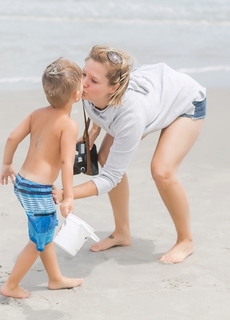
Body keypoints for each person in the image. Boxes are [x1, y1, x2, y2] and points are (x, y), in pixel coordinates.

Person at [53, 45, 206, 264]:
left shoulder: (131, 116)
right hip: (156, 94)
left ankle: (186, 240)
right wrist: (93, 133)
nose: (84, 83)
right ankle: (122, 232)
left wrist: (67, 194)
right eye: (83, 73)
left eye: (94, 81)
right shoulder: (88, 89)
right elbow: (98, 112)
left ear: (113, 87)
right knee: (105, 157)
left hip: (185, 102)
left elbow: (110, 178)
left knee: (162, 171)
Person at [0, 57, 85, 299]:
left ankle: (55, 278)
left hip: (23, 183)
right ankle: (11, 285)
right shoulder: (68, 125)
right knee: (39, 238)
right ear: (77, 95)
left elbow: (12, 138)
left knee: (43, 232)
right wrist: (69, 196)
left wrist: (7, 164)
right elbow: (67, 162)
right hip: (38, 190)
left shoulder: (37, 113)